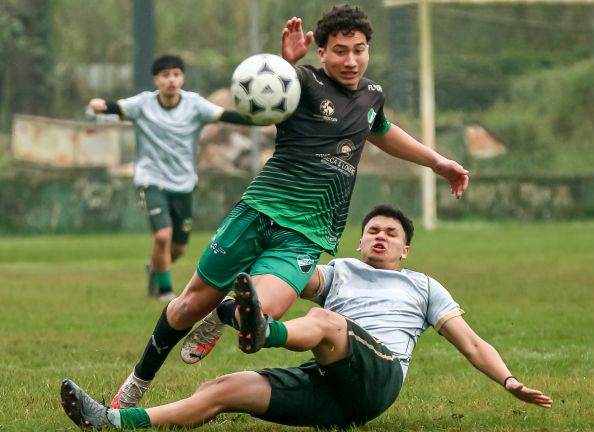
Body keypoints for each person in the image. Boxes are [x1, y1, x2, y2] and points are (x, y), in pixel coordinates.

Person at [108, 4, 470, 409]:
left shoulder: (372, 96)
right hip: (258, 210)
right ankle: (136, 384)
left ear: (368, 49)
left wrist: (437, 161)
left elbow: (382, 131)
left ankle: (223, 314)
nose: (350, 60)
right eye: (340, 50)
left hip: (307, 232)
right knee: (188, 305)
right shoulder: (300, 82)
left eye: (359, 49)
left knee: (263, 314)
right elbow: (265, 103)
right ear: (322, 52)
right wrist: (284, 64)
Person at [60, 205, 552, 430]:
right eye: (373, 230)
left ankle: (258, 330)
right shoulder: (338, 272)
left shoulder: (423, 286)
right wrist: (228, 290)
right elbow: (287, 278)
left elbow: (473, 344)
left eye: (391, 233)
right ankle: (113, 421)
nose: (380, 237)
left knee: (326, 324)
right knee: (223, 389)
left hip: (377, 380)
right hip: (331, 388)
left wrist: (509, 382)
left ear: (406, 247)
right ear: (359, 241)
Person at [88, 54, 248, 301]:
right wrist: (101, 105)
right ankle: (164, 290)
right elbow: (117, 107)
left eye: (176, 74)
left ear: (182, 77)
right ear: (156, 80)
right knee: (163, 235)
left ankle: (155, 267)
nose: (171, 80)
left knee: (179, 247)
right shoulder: (143, 104)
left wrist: (261, 118)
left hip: (183, 183)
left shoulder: (194, 105)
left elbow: (226, 116)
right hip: (151, 179)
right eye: (165, 75)